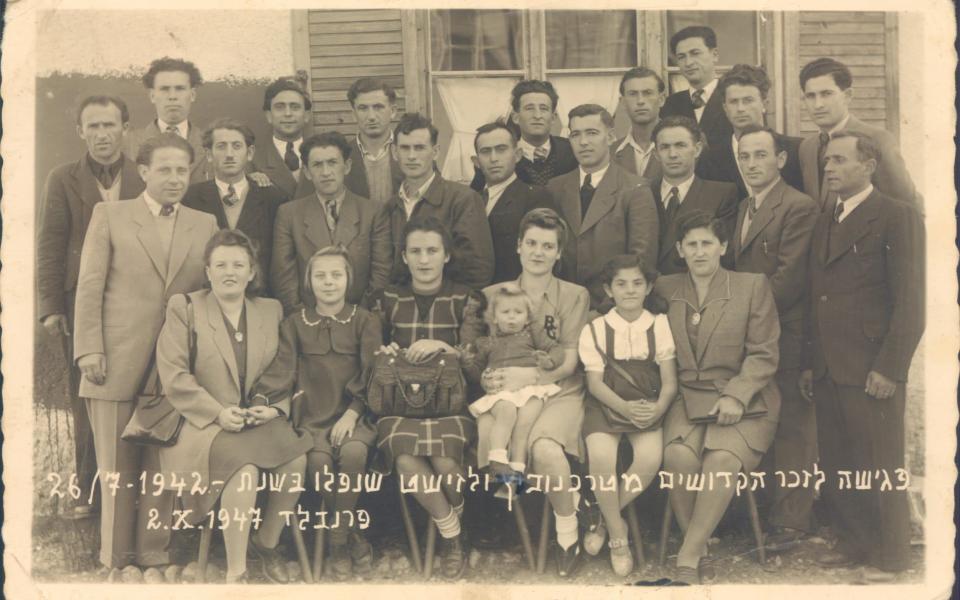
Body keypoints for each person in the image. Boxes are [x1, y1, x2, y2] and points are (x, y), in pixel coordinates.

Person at [73, 133, 219, 576]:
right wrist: (89, 349)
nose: (175, 179)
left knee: (161, 459)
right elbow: (90, 285)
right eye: (165, 170)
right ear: (144, 172)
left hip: (173, 364)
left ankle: (153, 554)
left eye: (182, 170)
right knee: (117, 463)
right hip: (115, 357)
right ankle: (117, 560)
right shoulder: (111, 214)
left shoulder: (205, 222)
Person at [800, 131, 924, 583]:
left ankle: (891, 557)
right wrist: (812, 363)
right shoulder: (826, 217)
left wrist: (890, 367)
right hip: (832, 365)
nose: (829, 168)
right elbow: (821, 295)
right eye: (826, 161)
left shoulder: (896, 217)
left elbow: (911, 301)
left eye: (839, 160)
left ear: (868, 166)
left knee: (879, 462)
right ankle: (852, 542)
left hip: (872, 365)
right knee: (839, 460)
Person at [156, 230, 311, 584]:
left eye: (239, 264)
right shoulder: (186, 308)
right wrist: (217, 413)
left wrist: (275, 409)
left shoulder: (270, 310)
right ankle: (237, 573)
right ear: (208, 271)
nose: (230, 272)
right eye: (221, 264)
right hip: (202, 425)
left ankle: (265, 543)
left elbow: (285, 370)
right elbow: (174, 376)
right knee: (245, 472)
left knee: (295, 458)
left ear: (252, 272)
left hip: (255, 421)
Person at [654, 210, 782, 585]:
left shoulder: (751, 285)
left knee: (723, 459)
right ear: (679, 249)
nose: (699, 252)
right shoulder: (664, 287)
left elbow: (764, 353)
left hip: (745, 397)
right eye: (691, 244)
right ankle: (702, 544)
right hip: (686, 395)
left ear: (723, 246)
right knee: (677, 455)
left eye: (707, 243)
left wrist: (736, 396)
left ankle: (689, 555)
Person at [37, 95, 145, 516]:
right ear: (81, 132)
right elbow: (49, 244)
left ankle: (133, 493)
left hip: (135, 303)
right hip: (78, 301)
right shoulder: (62, 178)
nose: (102, 134)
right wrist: (51, 306)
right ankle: (89, 490)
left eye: (110, 125)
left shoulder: (143, 176)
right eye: (93, 126)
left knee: (135, 393)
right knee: (86, 393)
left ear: (125, 128)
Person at [252, 246, 382, 580]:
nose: (329, 283)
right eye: (320, 275)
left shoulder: (365, 320)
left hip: (355, 415)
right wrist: (262, 402)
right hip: (312, 418)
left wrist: (353, 413)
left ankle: (337, 542)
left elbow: (373, 375)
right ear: (309, 281)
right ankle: (351, 536)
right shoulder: (296, 323)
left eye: (336, 275)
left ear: (348, 279)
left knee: (353, 454)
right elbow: (282, 371)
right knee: (319, 464)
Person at [477, 208, 591, 577]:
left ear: (559, 253)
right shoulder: (494, 295)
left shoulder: (574, 295)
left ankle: (566, 533)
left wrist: (527, 378)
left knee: (544, 449)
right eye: (532, 244)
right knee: (497, 437)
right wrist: (488, 381)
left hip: (557, 389)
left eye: (548, 246)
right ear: (518, 247)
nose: (538, 252)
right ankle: (571, 500)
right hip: (508, 396)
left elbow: (569, 362)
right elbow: (486, 356)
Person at [731, 125, 819, 548]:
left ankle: (793, 522)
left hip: (785, 332)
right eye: (745, 156)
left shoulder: (798, 207)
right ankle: (767, 517)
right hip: (752, 334)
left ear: (780, 160)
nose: (752, 164)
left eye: (761, 155)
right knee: (762, 420)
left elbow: (789, 279)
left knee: (792, 428)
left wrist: (741, 321)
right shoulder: (743, 207)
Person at [374, 217, 477, 579]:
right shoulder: (388, 298)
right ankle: (453, 534)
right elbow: (372, 352)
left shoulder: (465, 298)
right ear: (403, 257)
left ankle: (454, 515)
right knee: (404, 458)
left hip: (450, 404)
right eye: (415, 251)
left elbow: (477, 361)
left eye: (432, 251)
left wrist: (444, 346)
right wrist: (384, 349)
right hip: (400, 404)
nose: (424, 259)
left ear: (447, 255)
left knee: (446, 462)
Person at [578, 254, 678, 576]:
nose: (630, 290)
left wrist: (658, 408)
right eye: (621, 284)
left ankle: (601, 518)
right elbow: (594, 383)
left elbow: (669, 382)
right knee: (601, 459)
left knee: (649, 460)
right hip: (607, 404)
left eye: (637, 283)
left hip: (647, 404)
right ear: (608, 289)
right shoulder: (594, 329)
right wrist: (622, 407)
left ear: (648, 287)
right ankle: (618, 536)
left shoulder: (660, 324)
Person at [547, 104, 659, 311]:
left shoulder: (635, 189)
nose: (583, 142)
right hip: (560, 308)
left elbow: (641, 259)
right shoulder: (555, 188)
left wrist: (606, 310)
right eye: (575, 135)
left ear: (610, 138)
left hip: (613, 310)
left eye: (592, 133)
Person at [271, 131, 392, 314]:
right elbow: (284, 278)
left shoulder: (372, 212)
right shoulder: (289, 214)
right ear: (307, 172)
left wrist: (358, 319)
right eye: (317, 165)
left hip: (360, 320)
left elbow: (381, 274)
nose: (326, 172)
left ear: (347, 166)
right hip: (307, 322)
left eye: (332, 163)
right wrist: (304, 321)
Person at [462, 283, 564, 493]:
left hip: (528, 388)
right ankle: (497, 457)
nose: (511, 317)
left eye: (518, 312)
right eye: (505, 312)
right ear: (495, 318)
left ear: (527, 318)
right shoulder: (487, 343)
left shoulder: (531, 337)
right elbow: (475, 373)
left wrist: (548, 361)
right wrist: (466, 362)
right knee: (506, 411)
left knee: (524, 424)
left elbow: (556, 349)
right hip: (502, 391)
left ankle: (517, 470)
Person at [384, 113, 494, 290]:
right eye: (405, 148)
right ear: (395, 153)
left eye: (419, 148)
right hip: (402, 309)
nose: (412, 156)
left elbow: (478, 270)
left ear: (435, 152)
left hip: (450, 309)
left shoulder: (463, 199)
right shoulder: (390, 207)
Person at [797, 58, 920, 211]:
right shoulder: (807, 147)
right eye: (810, 96)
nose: (818, 104)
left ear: (847, 95)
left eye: (826, 94)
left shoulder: (877, 139)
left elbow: (907, 206)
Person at [183, 119, 285, 292]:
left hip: (260, 298)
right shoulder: (190, 199)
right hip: (207, 298)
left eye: (237, 146)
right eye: (221, 146)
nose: (229, 154)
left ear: (250, 152)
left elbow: (280, 262)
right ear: (208, 154)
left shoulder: (273, 198)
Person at [649, 116, 738, 276]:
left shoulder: (721, 195)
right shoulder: (640, 193)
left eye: (680, 145)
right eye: (664, 147)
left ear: (697, 149)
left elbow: (725, 255)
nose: (673, 154)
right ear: (656, 153)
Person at [471, 121, 555, 284]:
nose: (493, 158)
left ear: (517, 155)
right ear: (476, 161)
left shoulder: (536, 197)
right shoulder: (471, 200)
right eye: (486, 152)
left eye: (501, 149)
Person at [704, 64, 803, 196]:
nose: (740, 108)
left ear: (764, 104)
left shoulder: (795, 150)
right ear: (725, 108)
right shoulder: (710, 159)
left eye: (748, 100)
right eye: (733, 102)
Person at [470, 80, 578, 190]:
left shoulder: (571, 150)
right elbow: (475, 196)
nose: (537, 115)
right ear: (515, 117)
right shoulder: (500, 153)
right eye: (529, 109)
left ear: (553, 117)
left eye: (544, 109)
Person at [660, 26, 733, 181]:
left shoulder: (732, 98)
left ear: (714, 55)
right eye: (681, 57)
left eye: (695, 53)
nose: (688, 62)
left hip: (730, 191)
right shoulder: (671, 104)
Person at [124, 57, 208, 184]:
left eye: (179, 89)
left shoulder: (210, 143)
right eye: (164, 89)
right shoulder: (128, 144)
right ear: (152, 96)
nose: (172, 96)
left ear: (192, 95)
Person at [249, 77, 314, 200]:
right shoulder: (252, 158)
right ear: (269, 115)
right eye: (280, 107)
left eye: (295, 107)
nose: (288, 114)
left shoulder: (322, 153)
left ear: (306, 115)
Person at [344, 77, 404, 206]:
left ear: (393, 111)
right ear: (353, 114)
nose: (371, 116)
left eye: (378, 107)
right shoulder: (342, 155)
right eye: (363, 108)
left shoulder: (412, 151)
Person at [612, 67, 666, 182]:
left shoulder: (686, 145)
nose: (640, 101)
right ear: (623, 102)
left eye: (647, 93)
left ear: (661, 99)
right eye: (632, 94)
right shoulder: (611, 153)